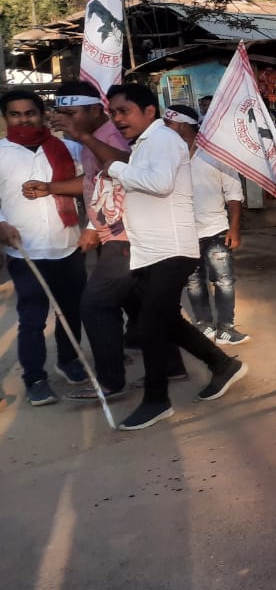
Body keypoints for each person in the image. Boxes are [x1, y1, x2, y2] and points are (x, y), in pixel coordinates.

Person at [72, 83, 247, 430]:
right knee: (167, 321)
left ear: (149, 111)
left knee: (150, 325)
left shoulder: (164, 139)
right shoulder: (145, 144)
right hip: (150, 251)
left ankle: (156, 400)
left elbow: (160, 182)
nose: (117, 119)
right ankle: (224, 366)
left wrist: (115, 170)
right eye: (113, 113)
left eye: (124, 111)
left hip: (171, 250)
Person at [24, 81, 135, 401]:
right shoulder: (91, 140)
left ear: (94, 111)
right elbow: (90, 183)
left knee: (94, 304)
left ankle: (111, 381)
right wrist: (51, 187)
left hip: (123, 235)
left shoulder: (109, 138)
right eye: (60, 113)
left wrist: (90, 227)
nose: (62, 120)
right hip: (111, 235)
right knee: (140, 304)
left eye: (70, 113)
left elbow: (126, 174)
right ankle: (185, 364)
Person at [0, 89, 89, 406]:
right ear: (6, 118)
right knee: (33, 318)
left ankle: (69, 361)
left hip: (68, 246)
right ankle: (35, 378)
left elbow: (92, 186)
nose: (24, 119)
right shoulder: (1, 152)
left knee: (72, 310)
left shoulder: (68, 147)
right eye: (15, 114)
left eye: (30, 113)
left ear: (41, 114)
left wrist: (91, 228)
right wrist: (0, 224)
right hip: (25, 251)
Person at [163, 104, 250, 346]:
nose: (165, 129)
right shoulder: (170, 155)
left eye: (169, 124)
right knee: (192, 280)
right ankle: (203, 324)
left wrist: (234, 228)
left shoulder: (217, 154)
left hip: (215, 229)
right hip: (184, 230)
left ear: (182, 125)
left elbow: (233, 193)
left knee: (223, 280)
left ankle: (226, 327)